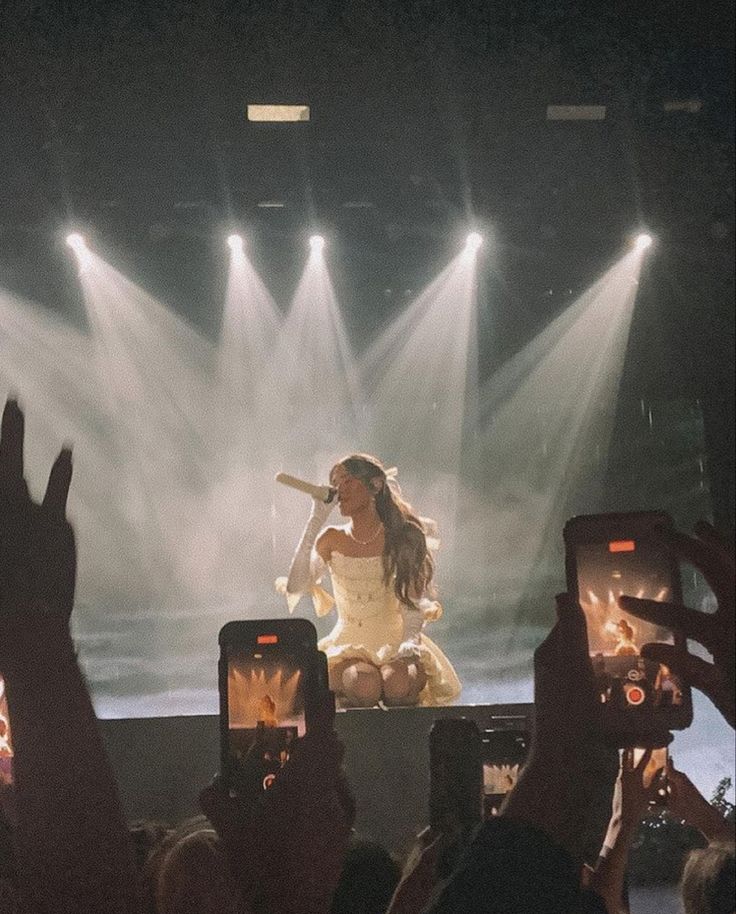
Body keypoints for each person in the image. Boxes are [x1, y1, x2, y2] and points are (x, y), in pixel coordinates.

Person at [281, 454, 461, 708]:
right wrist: (316, 519)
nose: (338, 489)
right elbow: (295, 585)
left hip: (398, 644)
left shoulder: (403, 536)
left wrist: (410, 642)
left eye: (346, 481)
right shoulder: (332, 538)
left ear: (375, 485)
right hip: (347, 647)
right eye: (334, 482)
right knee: (364, 685)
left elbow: (412, 602)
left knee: (397, 685)